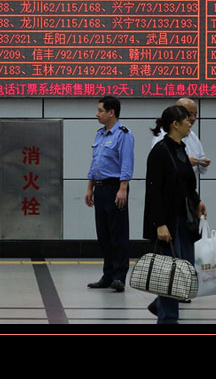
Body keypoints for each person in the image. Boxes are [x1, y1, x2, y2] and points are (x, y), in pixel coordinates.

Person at [143, 105, 207, 323]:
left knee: (185, 269)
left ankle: (159, 304)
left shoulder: (181, 148)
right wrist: (160, 224)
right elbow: (154, 191)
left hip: (185, 219)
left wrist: (197, 202)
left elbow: (187, 183)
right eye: (186, 120)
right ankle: (168, 320)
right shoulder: (160, 151)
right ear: (175, 124)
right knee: (170, 272)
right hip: (167, 221)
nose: (190, 122)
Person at [85, 96, 135, 292]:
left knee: (118, 233)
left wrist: (123, 188)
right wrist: (90, 188)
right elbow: (94, 163)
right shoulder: (99, 135)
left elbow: (126, 163)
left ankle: (119, 277)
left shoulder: (124, 134)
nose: (97, 114)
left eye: (100, 111)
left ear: (111, 112)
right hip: (100, 188)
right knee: (104, 234)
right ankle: (107, 275)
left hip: (116, 188)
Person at [150, 97, 211, 189]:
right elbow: (160, 167)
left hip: (187, 190)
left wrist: (202, 163)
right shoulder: (162, 142)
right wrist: (185, 163)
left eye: (195, 114)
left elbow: (201, 167)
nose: (193, 119)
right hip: (170, 191)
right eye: (189, 115)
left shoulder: (192, 136)